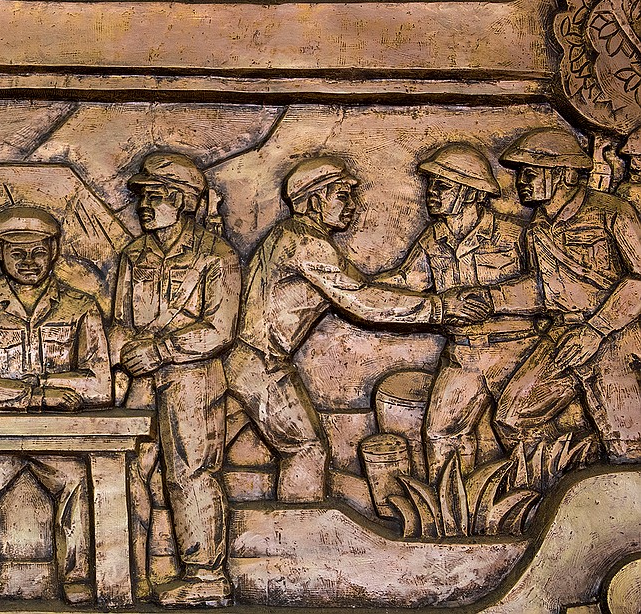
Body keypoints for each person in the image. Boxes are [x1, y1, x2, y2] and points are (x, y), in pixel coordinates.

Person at [225, 156, 491, 503]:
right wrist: (441, 307)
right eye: (341, 195)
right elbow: (360, 299)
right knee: (306, 450)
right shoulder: (305, 242)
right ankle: (301, 527)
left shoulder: (292, 235)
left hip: (246, 361)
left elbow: (369, 287)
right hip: (261, 364)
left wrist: (415, 296)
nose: (352, 205)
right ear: (314, 200)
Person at [0, 206, 111, 608]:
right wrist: (37, 396)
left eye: (38, 252)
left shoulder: (81, 307)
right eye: (17, 253)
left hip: (60, 440)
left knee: (81, 481)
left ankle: (78, 579)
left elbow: (100, 385)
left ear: (54, 250)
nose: (29, 262)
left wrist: (35, 387)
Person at [112, 152, 240, 607]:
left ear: (184, 200)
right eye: (143, 197)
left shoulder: (218, 256)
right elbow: (119, 321)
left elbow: (220, 329)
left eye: (157, 196)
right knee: (125, 469)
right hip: (141, 378)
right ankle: (129, 571)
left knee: (190, 473)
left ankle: (206, 576)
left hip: (193, 377)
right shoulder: (133, 256)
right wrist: (125, 350)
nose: (145, 206)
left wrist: (161, 350)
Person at [374, 143, 541, 479]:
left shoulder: (515, 236)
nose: (431, 193)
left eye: (443, 186)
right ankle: (457, 509)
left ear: (471, 193)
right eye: (431, 185)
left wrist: (493, 299)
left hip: (516, 351)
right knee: (441, 434)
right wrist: (355, 288)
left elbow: (548, 287)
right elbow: (406, 282)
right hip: (462, 355)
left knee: (524, 435)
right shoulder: (433, 239)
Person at [496, 127, 641, 462]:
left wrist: (596, 330)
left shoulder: (612, 212)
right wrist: (491, 299)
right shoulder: (536, 229)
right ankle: (568, 474)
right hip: (565, 334)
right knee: (512, 418)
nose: (520, 182)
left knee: (627, 443)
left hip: (615, 334)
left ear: (563, 174)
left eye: (530, 173)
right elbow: (542, 289)